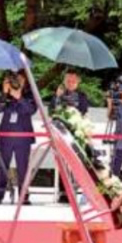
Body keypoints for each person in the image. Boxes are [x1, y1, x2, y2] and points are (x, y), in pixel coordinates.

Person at [0, 71, 37, 205]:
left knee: (23, 167)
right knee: (3, 166)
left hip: (23, 137)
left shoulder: (29, 95)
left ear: (25, 82)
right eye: (16, 79)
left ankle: (24, 196)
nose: (18, 82)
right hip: (6, 135)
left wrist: (19, 97)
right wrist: (5, 93)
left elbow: (32, 110)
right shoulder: (7, 95)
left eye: (21, 80)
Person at [50, 70, 91, 203]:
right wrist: (58, 97)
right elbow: (51, 111)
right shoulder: (58, 94)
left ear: (78, 82)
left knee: (78, 164)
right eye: (68, 80)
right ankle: (64, 193)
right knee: (63, 163)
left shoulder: (82, 96)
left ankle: (81, 191)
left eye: (73, 81)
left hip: (77, 134)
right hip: (61, 133)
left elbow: (83, 111)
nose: (70, 83)